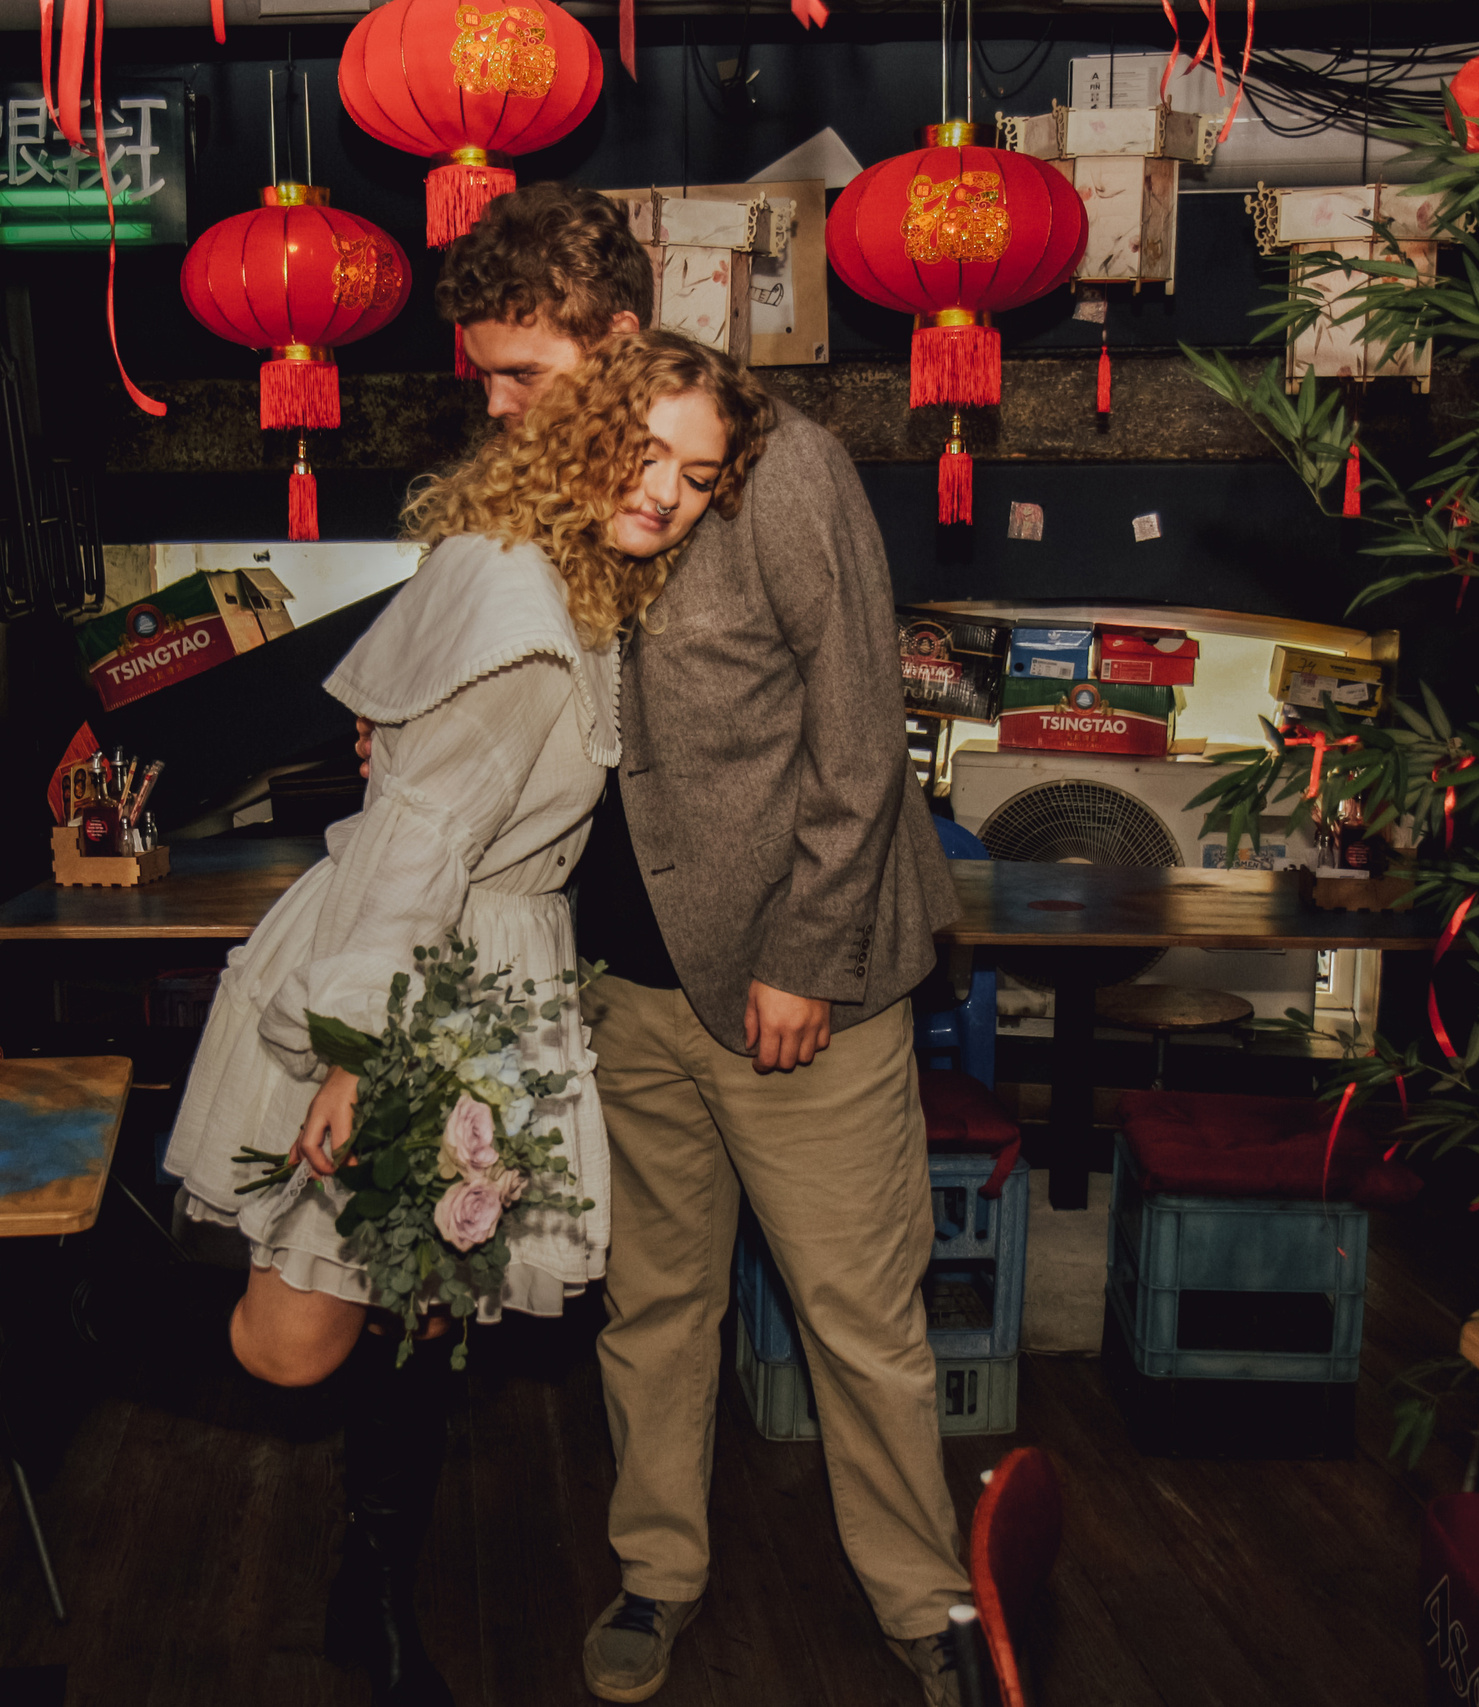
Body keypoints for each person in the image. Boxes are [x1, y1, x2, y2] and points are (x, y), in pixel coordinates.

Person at [166, 328, 771, 1707]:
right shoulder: (525, 612)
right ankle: (77, 1306)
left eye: (699, 474)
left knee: (423, 1308)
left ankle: (370, 1598)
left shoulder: (558, 571)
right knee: (295, 1342)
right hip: (416, 977)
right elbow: (418, 839)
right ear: (581, 431)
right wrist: (355, 1056)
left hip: (495, 976)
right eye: (646, 453)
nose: (669, 492)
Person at [437, 183, 974, 1707]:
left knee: (857, 1322)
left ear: (617, 339)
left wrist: (802, 957)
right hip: (622, 984)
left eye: (524, 370)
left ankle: (927, 1610)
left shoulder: (776, 466)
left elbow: (864, 734)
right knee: (653, 1305)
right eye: (486, 372)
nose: (497, 400)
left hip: (798, 982)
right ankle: (658, 1574)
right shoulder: (535, 481)